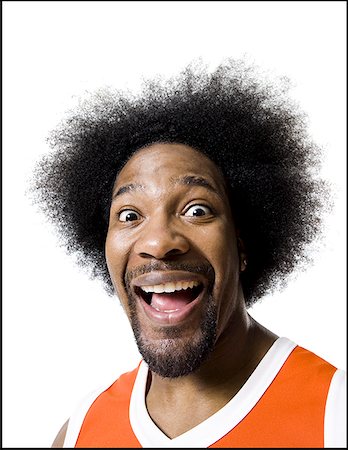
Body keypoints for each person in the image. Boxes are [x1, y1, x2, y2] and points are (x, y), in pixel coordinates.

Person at [30, 59, 346, 448]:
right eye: (130, 215)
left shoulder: (335, 416)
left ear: (241, 244)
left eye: (197, 209)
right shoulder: (80, 432)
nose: (159, 242)